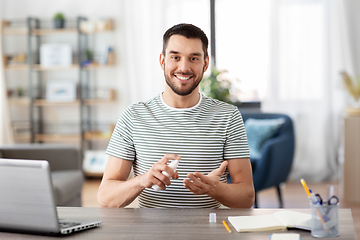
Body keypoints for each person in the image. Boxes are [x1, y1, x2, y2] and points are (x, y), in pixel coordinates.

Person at [98, 23, 255, 208]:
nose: (184, 67)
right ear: (162, 61)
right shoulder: (133, 117)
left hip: (207, 233)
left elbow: (247, 197)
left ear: (205, 64)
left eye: (194, 58)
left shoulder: (228, 117)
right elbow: (105, 198)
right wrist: (142, 180)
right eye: (175, 57)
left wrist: (215, 189)